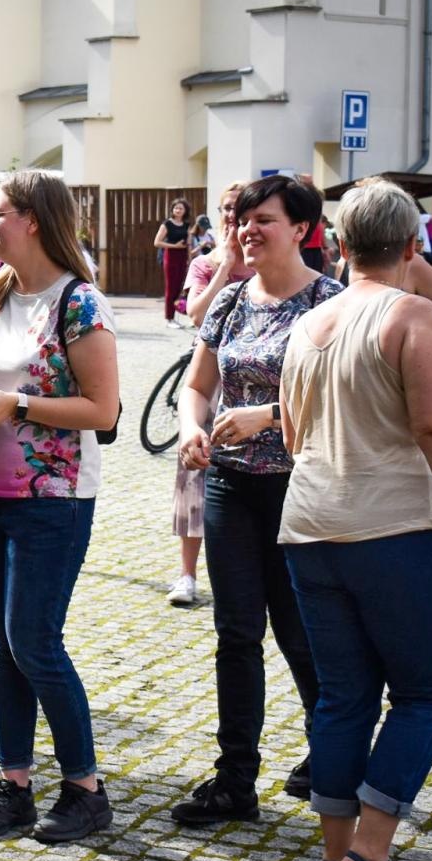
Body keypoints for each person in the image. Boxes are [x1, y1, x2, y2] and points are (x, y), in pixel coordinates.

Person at [277, 176, 432, 861]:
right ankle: (371, 856)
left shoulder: (309, 324)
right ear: (413, 246)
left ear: (338, 245)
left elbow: (289, 434)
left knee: (343, 696)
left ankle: (334, 857)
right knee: (428, 691)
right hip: (395, 527)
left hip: (310, 527)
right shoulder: (410, 316)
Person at [0, 171, 119, 844]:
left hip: (52, 497)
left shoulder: (80, 305)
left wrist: (19, 405)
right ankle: (14, 785)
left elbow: (102, 410)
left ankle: (85, 788)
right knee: (2, 649)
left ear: (37, 220)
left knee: (35, 643)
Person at [173, 174, 341, 826]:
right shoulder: (232, 300)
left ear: (301, 228)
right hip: (231, 486)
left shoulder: (329, 303)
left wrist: (266, 416)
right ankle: (235, 780)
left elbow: (340, 398)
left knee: (303, 634)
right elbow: (197, 384)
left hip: (303, 489)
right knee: (236, 634)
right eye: (243, 219)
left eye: (263, 219)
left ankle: (333, 754)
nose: (248, 229)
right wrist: (193, 427)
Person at [167, 182, 253, 608]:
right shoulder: (205, 263)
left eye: (239, 209)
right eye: (225, 209)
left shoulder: (264, 266)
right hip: (209, 377)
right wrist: (226, 265)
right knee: (193, 471)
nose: (232, 217)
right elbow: (196, 313)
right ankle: (186, 573)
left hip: (252, 383)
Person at [153, 198, 192, 328]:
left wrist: (190, 259)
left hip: (182, 256)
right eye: (176, 208)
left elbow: (189, 244)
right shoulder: (167, 224)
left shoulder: (187, 225)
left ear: (185, 210)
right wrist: (174, 246)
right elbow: (157, 242)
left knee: (179, 287)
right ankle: (168, 318)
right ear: (172, 210)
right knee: (170, 288)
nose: (178, 210)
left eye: (181, 208)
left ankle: (174, 317)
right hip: (171, 256)